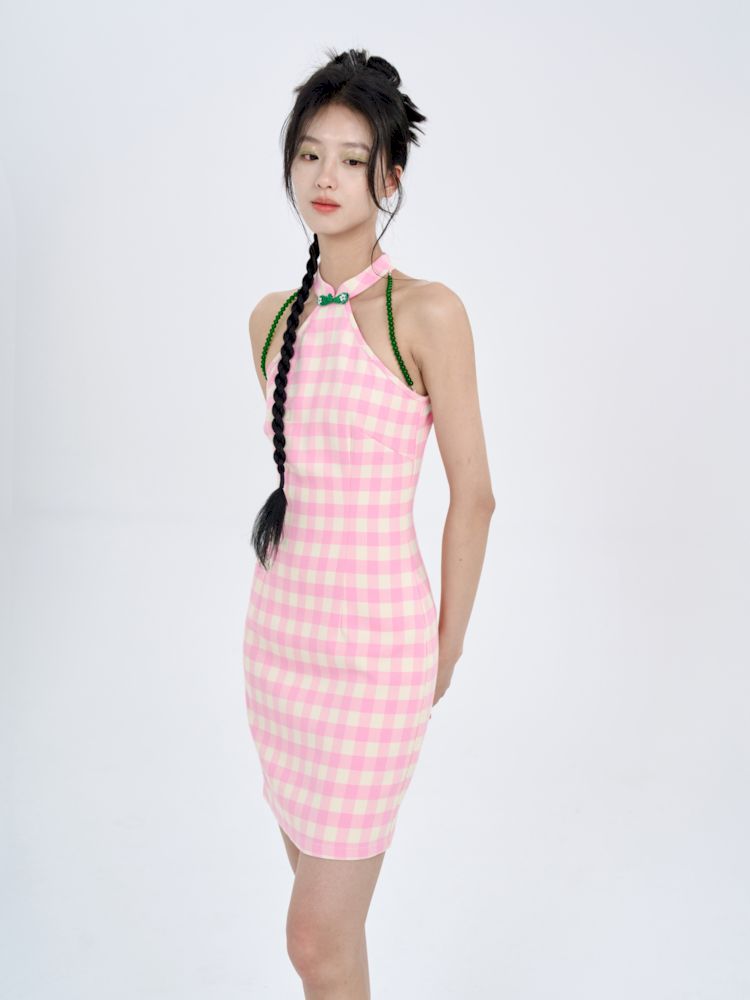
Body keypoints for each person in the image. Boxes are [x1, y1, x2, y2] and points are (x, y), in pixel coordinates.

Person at [243, 47, 495, 997]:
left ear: (389, 177)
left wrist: (446, 648)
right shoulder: (271, 320)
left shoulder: (427, 312)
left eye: (352, 159)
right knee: (331, 939)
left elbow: (475, 494)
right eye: (310, 153)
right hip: (279, 646)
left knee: (313, 935)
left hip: (376, 658)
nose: (327, 176)